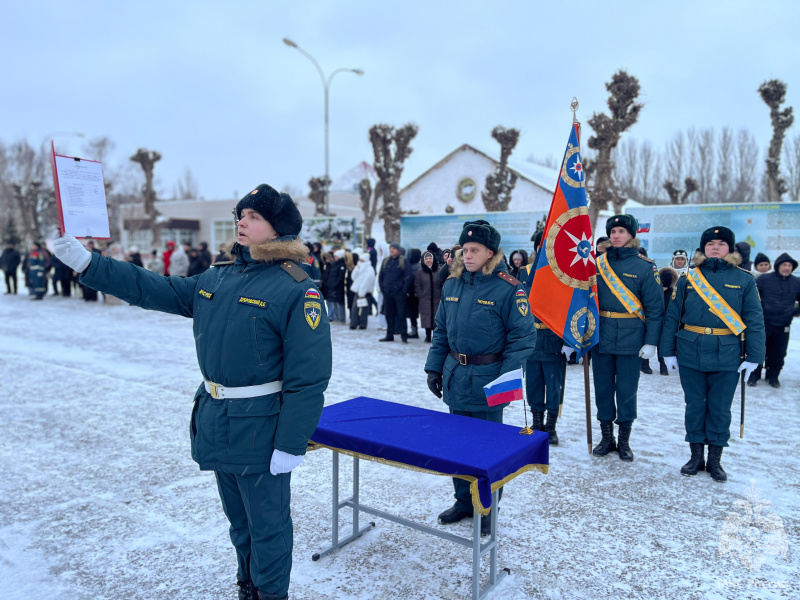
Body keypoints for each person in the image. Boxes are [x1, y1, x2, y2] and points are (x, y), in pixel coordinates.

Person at [54, 183, 332, 600]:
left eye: (254, 216)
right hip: (218, 420)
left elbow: (308, 377)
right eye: (241, 214)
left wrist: (290, 443)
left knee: (268, 527)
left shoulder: (295, 288)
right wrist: (89, 263)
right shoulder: (218, 277)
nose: (242, 221)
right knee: (240, 524)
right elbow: (154, 288)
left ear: (278, 230)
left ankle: (271, 595)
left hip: (262, 430)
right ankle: (248, 588)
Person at [424, 220, 534, 536]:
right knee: (458, 445)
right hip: (456, 376)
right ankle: (463, 501)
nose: (468, 255)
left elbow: (522, 339)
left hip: (490, 379)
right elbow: (441, 331)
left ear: (490, 253)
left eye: (475, 250)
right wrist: (434, 368)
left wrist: (505, 382)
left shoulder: (509, 288)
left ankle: (486, 507)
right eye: (465, 249)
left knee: (488, 449)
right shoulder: (452, 285)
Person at [659, 226, 765, 482]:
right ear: (703, 248)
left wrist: (754, 356)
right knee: (695, 405)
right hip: (690, 349)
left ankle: (715, 460)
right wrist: (667, 352)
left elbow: (754, 319)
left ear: (730, 248)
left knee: (720, 408)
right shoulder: (688, 278)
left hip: (728, 352)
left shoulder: (745, 279)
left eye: (721, 244)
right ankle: (696, 457)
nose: (715, 248)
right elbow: (672, 316)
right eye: (710, 244)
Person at [592, 215, 664, 462]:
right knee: (602, 389)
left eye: (621, 231)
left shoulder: (645, 267)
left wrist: (651, 342)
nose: (616, 236)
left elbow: (655, 308)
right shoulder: (597, 264)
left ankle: (623, 441)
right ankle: (606, 437)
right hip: (601, 335)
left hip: (632, 337)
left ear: (631, 235)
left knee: (626, 390)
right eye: (613, 231)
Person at [523, 239, 569, 445]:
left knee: (553, 385)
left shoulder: (562, 275)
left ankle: (550, 426)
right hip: (531, 337)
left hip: (553, 338)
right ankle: (536, 422)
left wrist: (569, 341)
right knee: (533, 384)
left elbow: (570, 308)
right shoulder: (524, 272)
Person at [753, 253, 800, 388]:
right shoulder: (764, 279)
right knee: (759, 351)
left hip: (784, 325)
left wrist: (794, 312)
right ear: (778, 266)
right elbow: (753, 298)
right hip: (764, 323)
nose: (787, 268)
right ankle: (754, 376)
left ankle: (773, 377)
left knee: (778, 353)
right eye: (784, 265)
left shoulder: (797, 282)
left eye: (789, 265)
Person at [378, 243, 412, 343]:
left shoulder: (403, 261)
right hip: (387, 292)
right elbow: (381, 276)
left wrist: (404, 290)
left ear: (398, 250)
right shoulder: (386, 261)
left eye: (394, 248)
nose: (391, 250)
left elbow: (409, 276)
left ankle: (404, 335)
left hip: (399, 293)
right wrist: (383, 288)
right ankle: (389, 335)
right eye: (390, 248)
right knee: (389, 314)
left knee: (401, 314)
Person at [414, 251, 442, 342]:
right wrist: (421, 295)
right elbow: (417, 284)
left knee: (436, 317)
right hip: (425, 299)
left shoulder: (439, 270)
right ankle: (428, 336)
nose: (428, 260)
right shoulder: (420, 272)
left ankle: (435, 336)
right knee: (426, 317)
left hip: (437, 299)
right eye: (426, 259)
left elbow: (442, 283)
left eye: (430, 258)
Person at [657, 265, 680, 375]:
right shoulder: (674, 293)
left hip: (656, 320)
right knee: (664, 342)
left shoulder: (655, 291)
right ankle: (663, 366)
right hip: (667, 321)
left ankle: (646, 364)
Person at [350, 248, 376, 329]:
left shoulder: (369, 270)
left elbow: (367, 282)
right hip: (357, 291)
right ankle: (354, 323)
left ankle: (362, 324)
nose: (360, 262)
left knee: (364, 309)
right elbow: (353, 277)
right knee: (355, 308)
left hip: (365, 292)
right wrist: (356, 269)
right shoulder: (359, 268)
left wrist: (362, 293)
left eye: (361, 260)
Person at [323, 249, 346, 322]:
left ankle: (341, 318)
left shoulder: (341, 265)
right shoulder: (334, 265)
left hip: (337, 287)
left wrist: (334, 284)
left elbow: (340, 277)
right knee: (333, 303)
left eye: (336, 256)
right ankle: (336, 317)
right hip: (331, 287)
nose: (335, 257)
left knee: (339, 303)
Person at [406, 248, 422, 338]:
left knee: (413, 313)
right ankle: (414, 330)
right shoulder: (418, 266)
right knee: (413, 313)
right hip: (414, 293)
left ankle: (414, 331)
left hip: (413, 293)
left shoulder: (413, 267)